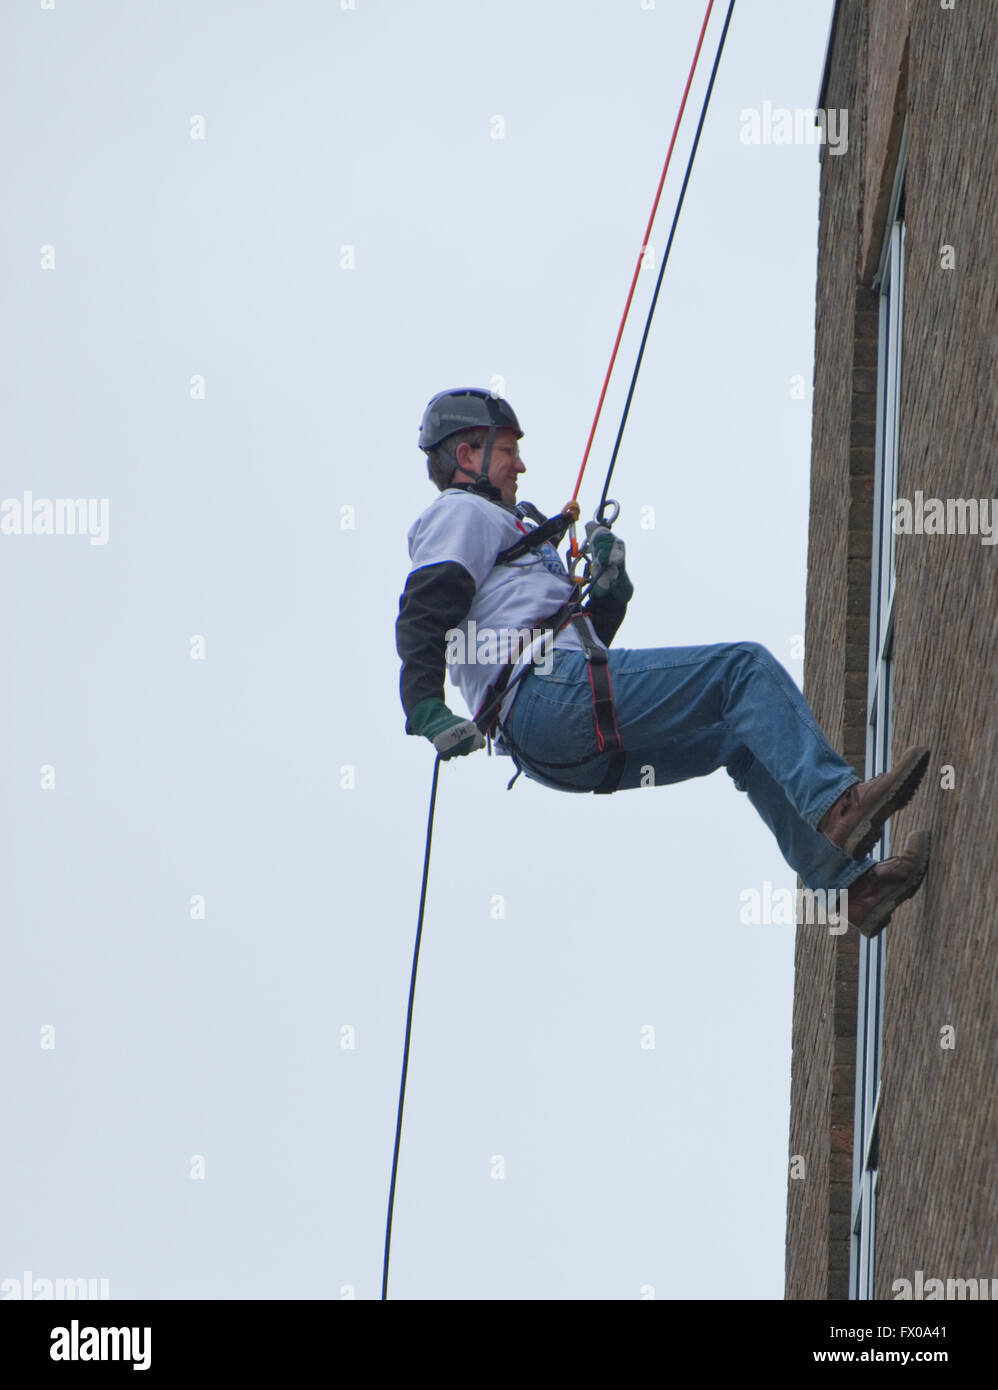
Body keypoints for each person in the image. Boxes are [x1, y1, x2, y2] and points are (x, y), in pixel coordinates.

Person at [395, 388, 931, 938]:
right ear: (467, 456)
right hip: (546, 699)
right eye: (507, 449)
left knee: (741, 735)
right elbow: (425, 611)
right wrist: (425, 706)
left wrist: (608, 590)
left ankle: (852, 889)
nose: (520, 464)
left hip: (556, 742)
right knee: (740, 670)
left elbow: (584, 642)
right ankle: (839, 803)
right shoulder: (460, 512)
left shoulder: (509, 531)